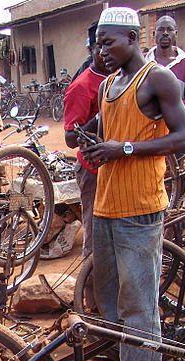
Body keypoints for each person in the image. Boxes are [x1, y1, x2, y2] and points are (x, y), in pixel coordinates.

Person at [80, 7, 185, 361]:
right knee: (111, 296)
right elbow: (104, 127)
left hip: (141, 207)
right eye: (97, 43)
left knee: (140, 300)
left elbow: (181, 136)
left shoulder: (158, 79)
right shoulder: (110, 84)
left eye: (108, 42)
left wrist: (122, 149)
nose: (101, 50)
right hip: (107, 204)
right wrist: (87, 137)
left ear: (132, 37)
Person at [64, 22, 112, 257]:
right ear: (92, 49)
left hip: (117, 167)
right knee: (95, 239)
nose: (107, 53)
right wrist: (99, 117)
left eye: (111, 45)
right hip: (93, 172)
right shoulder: (82, 86)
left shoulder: (119, 78)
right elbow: (71, 138)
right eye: (101, 46)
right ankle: (90, 290)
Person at [144, 16, 185, 105]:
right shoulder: (143, 61)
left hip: (175, 118)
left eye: (170, 29)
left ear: (176, 34)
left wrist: (172, 107)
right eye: (161, 29)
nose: (165, 33)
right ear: (154, 34)